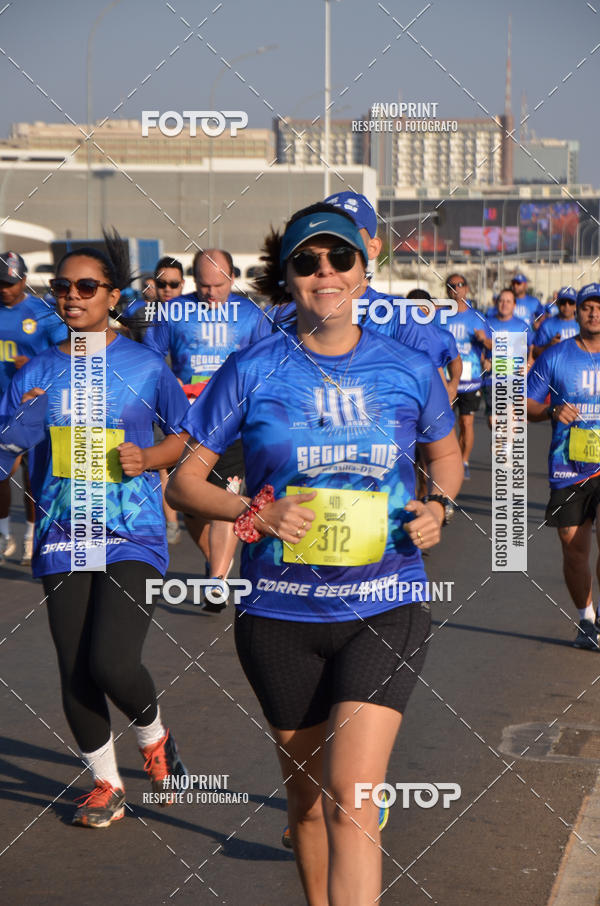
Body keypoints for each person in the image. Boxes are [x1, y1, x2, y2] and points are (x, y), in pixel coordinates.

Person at [166, 203, 463, 905]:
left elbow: (446, 456)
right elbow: (184, 482)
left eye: (339, 258)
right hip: (279, 615)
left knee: (352, 800)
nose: (324, 272)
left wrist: (438, 507)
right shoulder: (252, 368)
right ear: (286, 275)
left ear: (363, 269)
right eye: (306, 261)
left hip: (385, 603)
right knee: (305, 806)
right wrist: (254, 512)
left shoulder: (407, 367)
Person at [0, 238, 190, 827]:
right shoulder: (38, 370)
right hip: (63, 533)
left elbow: (184, 437)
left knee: (111, 660)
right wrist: (21, 423)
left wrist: (148, 457)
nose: (72, 296)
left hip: (132, 530)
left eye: (86, 286)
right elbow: (5, 451)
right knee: (75, 667)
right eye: (62, 287)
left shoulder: (145, 366)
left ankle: (155, 738)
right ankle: (106, 783)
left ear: (112, 296)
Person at [143, 248, 263, 610]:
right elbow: (150, 360)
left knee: (225, 503)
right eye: (204, 285)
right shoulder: (173, 312)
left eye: (219, 285)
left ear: (232, 278)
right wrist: (169, 389)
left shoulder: (251, 315)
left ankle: (218, 582)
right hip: (187, 425)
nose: (211, 293)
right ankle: (215, 562)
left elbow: (266, 362)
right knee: (187, 503)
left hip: (233, 427)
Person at [527, 283, 600, 649]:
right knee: (573, 548)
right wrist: (551, 410)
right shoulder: (556, 356)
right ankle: (587, 619)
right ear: (577, 313)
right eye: (587, 307)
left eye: (599, 307)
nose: (593, 313)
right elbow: (525, 402)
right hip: (568, 465)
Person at [0, 251, 68, 564]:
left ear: (24, 280)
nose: (5, 289)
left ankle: (31, 535)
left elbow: (64, 351)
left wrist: (34, 363)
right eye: (1, 283)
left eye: (11, 283)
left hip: (34, 404)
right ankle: (4, 534)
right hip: (3, 405)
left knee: (33, 475)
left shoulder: (43, 313)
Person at [437, 274, 486, 479]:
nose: (456, 288)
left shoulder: (477, 317)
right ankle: (448, 460)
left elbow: (491, 345)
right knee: (446, 425)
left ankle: (463, 461)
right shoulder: (440, 316)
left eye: (460, 284)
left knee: (466, 423)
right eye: (451, 286)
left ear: (466, 288)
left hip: (470, 378)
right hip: (446, 380)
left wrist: (483, 341)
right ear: (447, 291)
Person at [476, 288, 533, 429]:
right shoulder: (487, 323)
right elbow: (477, 348)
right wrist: (483, 361)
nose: (504, 304)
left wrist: (529, 364)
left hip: (515, 379)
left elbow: (533, 348)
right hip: (493, 379)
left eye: (508, 301)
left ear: (514, 305)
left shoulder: (522, 326)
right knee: (494, 423)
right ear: (496, 303)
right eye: (501, 301)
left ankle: (506, 441)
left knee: (511, 422)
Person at [532, 286, 578, 358]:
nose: (567, 305)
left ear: (576, 304)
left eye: (571, 302)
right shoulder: (546, 325)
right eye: (563, 302)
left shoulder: (583, 325)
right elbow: (535, 352)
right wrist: (549, 346)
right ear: (557, 303)